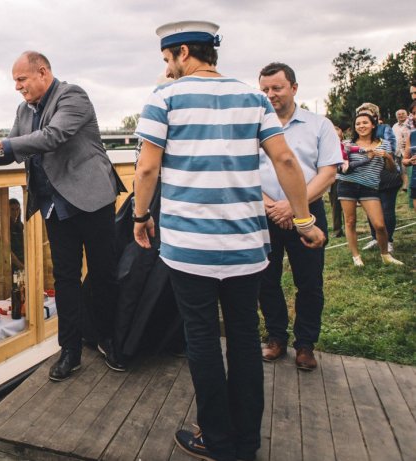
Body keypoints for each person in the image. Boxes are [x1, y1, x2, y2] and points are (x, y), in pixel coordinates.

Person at [133, 21, 325, 461]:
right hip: (245, 245)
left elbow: (146, 169)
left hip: (189, 248)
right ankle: (247, 441)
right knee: (242, 336)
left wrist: (140, 218)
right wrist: (303, 220)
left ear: (182, 52)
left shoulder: (163, 98)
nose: (167, 69)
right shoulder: (253, 97)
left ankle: (216, 439)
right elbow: (284, 159)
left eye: (167, 60)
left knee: (201, 338)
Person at [0, 51, 127, 381]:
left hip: (92, 200)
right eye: (15, 82)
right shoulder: (24, 109)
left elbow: (52, 137)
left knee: (104, 273)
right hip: (54, 204)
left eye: (21, 80)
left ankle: (109, 340)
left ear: (43, 73)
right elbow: (14, 147)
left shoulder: (72, 96)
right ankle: (71, 351)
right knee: (64, 279)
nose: (17, 88)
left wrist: (1, 146)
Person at [257, 62, 342, 371]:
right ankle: (276, 337)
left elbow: (328, 172)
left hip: (308, 212)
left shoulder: (319, 125)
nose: (270, 95)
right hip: (265, 213)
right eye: (264, 90)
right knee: (266, 280)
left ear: (294, 88)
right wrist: (272, 206)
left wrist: (293, 207)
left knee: (309, 282)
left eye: (276, 88)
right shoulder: (253, 127)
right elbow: (248, 173)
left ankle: (305, 344)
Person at [335, 112, 403, 266]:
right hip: (347, 185)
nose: (361, 126)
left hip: (370, 187)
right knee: (350, 221)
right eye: (358, 123)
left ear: (373, 125)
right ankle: (356, 256)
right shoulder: (347, 144)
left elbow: (392, 170)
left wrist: (387, 156)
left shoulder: (383, 144)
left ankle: (385, 255)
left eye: (365, 123)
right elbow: (342, 167)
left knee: (379, 224)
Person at [355, 103, 402, 253]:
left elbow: (391, 149)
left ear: (375, 116)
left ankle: (388, 240)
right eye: (360, 115)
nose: (363, 120)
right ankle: (375, 238)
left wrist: (378, 151)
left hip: (387, 176)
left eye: (366, 114)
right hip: (369, 177)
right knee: (371, 210)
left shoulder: (384, 129)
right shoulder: (357, 136)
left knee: (387, 209)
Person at [328, 125, 346, 236]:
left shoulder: (345, 147)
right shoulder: (325, 148)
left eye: (337, 136)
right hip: (332, 179)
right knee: (335, 205)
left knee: (347, 204)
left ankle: (350, 227)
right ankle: (337, 229)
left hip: (344, 178)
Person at [393, 109, 410, 190]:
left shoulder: (410, 124)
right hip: (397, 151)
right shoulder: (394, 126)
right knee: (399, 169)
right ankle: (405, 185)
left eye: (403, 113)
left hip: (406, 151)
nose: (401, 115)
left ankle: (407, 186)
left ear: (406, 115)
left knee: (405, 169)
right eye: (399, 114)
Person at [9, 198, 25, 271]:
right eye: (12, 209)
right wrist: (20, 265)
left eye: (17, 209)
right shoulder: (6, 227)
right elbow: (8, 250)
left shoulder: (21, 225)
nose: (15, 212)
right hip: (12, 262)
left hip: (22, 258)